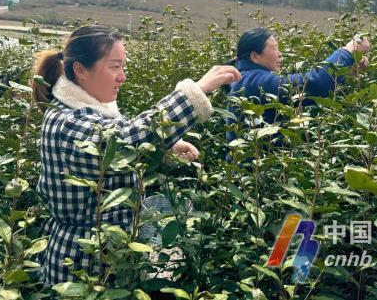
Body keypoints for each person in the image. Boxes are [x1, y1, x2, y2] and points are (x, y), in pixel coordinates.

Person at [31, 25, 240, 284]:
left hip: (102, 258)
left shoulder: (83, 112)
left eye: (123, 66)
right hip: (84, 267)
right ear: (80, 70)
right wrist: (195, 92)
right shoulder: (69, 122)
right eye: (115, 67)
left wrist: (165, 148)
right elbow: (126, 140)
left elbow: (114, 149)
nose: (123, 76)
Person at [225, 27, 370, 144]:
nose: (280, 54)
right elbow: (313, 84)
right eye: (274, 48)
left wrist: (345, 72)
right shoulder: (253, 81)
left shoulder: (246, 78)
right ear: (255, 56)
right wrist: (348, 51)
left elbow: (308, 92)